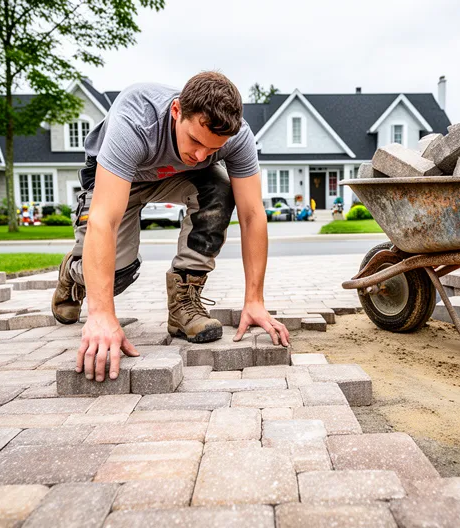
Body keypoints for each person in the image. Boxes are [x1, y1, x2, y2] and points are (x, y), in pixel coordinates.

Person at [51, 72, 291, 383]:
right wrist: (101, 316)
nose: (201, 155)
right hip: (119, 178)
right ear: (177, 111)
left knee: (221, 187)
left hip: (175, 180)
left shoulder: (237, 136)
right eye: (195, 140)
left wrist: (255, 300)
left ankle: (184, 305)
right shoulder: (136, 121)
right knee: (114, 277)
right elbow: (104, 220)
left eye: (213, 148)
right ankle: (74, 271)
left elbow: (252, 215)